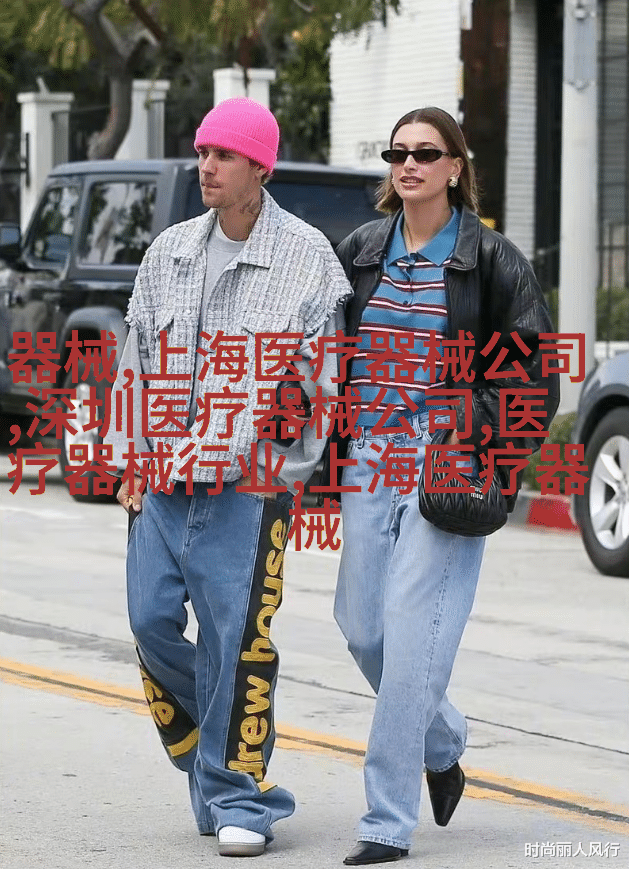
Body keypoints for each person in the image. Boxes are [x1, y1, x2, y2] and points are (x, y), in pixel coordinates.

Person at [107, 97, 352, 857]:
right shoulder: (170, 251)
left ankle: (240, 796)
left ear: (260, 167)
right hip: (161, 483)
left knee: (237, 643)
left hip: (246, 489)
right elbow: (137, 360)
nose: (206, 166)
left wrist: (285, 471)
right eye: (203, 152)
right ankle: (218, 753)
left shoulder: (306, 257)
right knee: (149, 623)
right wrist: (129, 456)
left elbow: (323, 382)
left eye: (223, 155)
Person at [328, 107, 560, 865]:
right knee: (362, 628)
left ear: (456, 167)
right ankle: (441, 740)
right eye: (397, 152)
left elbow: (532, 380)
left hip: (442, 462)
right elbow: (326, 353)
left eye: (426, 153)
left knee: (412, 640)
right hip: (368, 458)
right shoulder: (362, 251)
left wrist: (469, 429)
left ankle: (386, 820)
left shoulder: (492, 260)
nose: (409, 164)